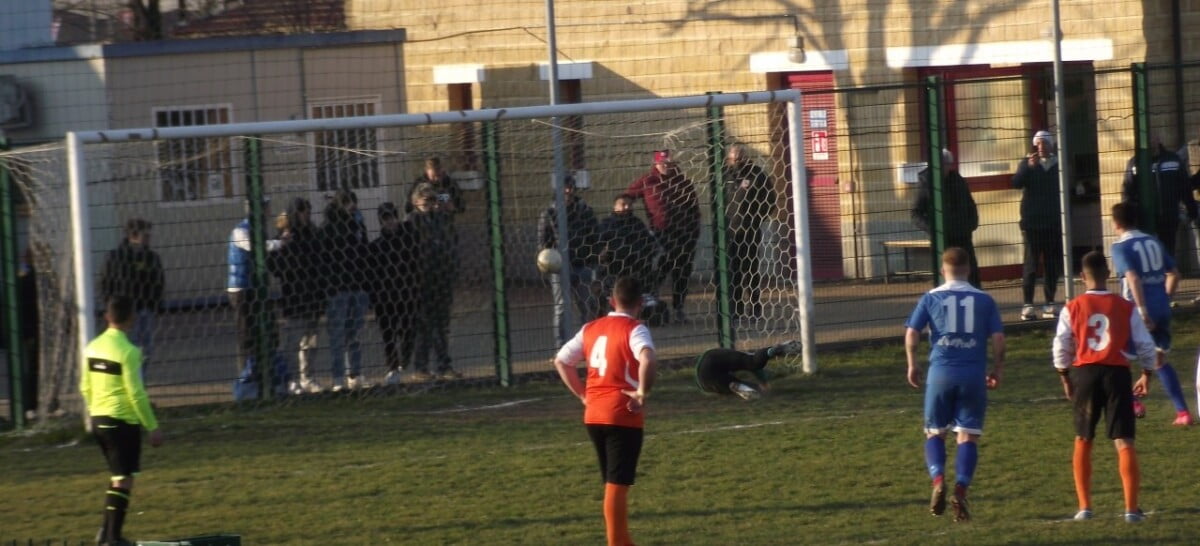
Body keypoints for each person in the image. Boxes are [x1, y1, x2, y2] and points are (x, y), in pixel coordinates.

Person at [1052, 250, 1157, 523]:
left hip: (1085, 373)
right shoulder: (1124, 306)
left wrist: (1064, 375)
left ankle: (1085, 507)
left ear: (1080, 277)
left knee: (1083, 437)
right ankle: (1131, 509)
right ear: (1108, 274)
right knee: (1124, 441)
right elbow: (1145, 344)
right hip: (1116, 374)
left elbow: (1061, 344)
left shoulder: (1072, 306)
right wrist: (1146, 373)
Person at [552, 276, 657, 546]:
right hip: (621, 413)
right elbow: (647, 358)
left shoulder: (591, 327)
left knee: (613, 483)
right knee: (617, 484)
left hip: (594, 415)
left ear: (612, 301)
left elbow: (562, 361)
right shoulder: (636, 329)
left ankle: (622, 541)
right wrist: (642, 392)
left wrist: (584, 396)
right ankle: (618, 543)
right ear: (641, 303)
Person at [904, 247, 1005, 522]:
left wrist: (912, 363)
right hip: (972, 376)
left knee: (935, 433)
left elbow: (912, 332)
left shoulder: (931, 297)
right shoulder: (984, 300)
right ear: (969, 270)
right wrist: (997, 367)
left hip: (940, 374)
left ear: (942, 271)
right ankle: (960, 488)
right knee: (967, 436)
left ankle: (938, 479)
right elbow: (998, 337)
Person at [79, 297, 165, 546]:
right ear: (131, 319)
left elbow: (85, 386)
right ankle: (112, 538)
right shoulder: (129, 352)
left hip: (99, 419)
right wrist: (152, 426)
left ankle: (105, 533)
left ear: (107, 317)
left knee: (118, 477)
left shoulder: (92, 347)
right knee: (124, 479)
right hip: (121, 423)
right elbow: (136, 394)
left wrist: (97, 411)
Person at [1109, 203, 1190, 425]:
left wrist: (1142, 310)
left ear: (1116, 223)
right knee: (1158, 359)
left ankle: (1133, 402)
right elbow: (1174, 273)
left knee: (1119, 357)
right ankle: (1183, 413)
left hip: (1137, 309)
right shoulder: (1153, 241)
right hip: (1162, 307)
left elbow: (1133, 278)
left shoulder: (1119, 247)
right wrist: (1165, 299)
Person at [625, 150, 701, 323]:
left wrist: (694, 232)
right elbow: (628, 195)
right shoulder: (647, 181)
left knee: (682, 273)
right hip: (661, 235)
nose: (665, 166)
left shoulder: (683, 182)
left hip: (685, 235)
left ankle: (679, 308)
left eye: (668, 163)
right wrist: (623, 207)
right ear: (656, 163)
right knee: (658, 271)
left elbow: (695, 209)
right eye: (662, 163)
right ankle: (652, 308)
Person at [266, 197, 325, 393]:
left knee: (311, 341)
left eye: (307, 210)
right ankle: (290, 379)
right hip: (294, 295)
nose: (305, 214)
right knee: (292, 341)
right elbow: (273, 264)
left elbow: (321, 261)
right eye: (301, 210)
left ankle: (308, 377)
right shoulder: (285, 235)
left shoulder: (314, 234)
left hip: (313, 294)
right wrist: (289, 265)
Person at [538, 175, 601, 345]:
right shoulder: (549, 213)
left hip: (583, 266)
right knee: (561, 308)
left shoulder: (585, 211)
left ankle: (588, 345)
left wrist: (593, 260)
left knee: (587, 306)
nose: (568, 190)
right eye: (564, 187)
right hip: (559, 269)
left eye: (571, 187)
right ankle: (562, 347)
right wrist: (548, 259)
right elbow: (543, 242)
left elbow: (595, 237)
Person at [320, 190, 371, 390]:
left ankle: (355, 373)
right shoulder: (330, 227)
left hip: (357, 285)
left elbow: (364, 252)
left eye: (354, 203)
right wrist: (329, 285)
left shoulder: (358, 225)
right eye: (349, 203)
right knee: (338, 335)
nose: (353, 207)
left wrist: (366, 282)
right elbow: (325, 260)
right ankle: (338, 377)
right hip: (338, 288)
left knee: (355, 333)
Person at [99, 218, 164, 377]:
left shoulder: (151, 257)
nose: (149, 237)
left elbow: (159, 281)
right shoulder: (116, 257)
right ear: (134, 235)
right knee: (128, 349)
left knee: (146, 349)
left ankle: (140, 385)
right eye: (145, 233)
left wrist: (154, 305)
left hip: (144, 310)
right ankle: (130, 384)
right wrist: (112, 307)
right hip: (124, 312)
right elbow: (105, 283)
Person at [410, 183, 462, 380]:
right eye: (427, 201)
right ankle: (420, 367)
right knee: (424, 325)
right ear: (416, 202)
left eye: (434, 200)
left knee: (441, 325)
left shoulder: (440, 220)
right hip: (423, 281)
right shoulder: (414, 221)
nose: (432, 205)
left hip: (441, 278)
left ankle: (443, 365)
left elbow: (450, 243)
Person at [227, 197, 282, 379]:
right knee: (246, 331)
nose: (269, 211)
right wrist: (281, 242)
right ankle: (246, 373)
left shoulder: (257, 229)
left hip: (255, 287)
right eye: (266, 207)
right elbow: (257, 247)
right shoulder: (241, 231)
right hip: (241, 289)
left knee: (267, 327)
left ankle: (262, 369)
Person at [1012, 130, 1064, 321]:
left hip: (1053, 223)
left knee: (1052, 265)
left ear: (1051, 146)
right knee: (1031, 265)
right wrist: (1028, 168)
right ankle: (1028, 305)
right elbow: (1015, 183)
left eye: (1045, 143)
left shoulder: (1058, 165)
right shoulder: (1027, 164)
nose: (1041, 147)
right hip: (1032, 224)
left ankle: (1049, 303)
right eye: (1038, 144)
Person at [1121, 134, 1197, 260]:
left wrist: (1191, 209)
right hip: (1144, 218)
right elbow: (1127, 191)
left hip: (1169, 216)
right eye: (1148, 138)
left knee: (1168, 254)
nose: (1151, 140)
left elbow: (1185, 187)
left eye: (1153, 137)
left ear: (1159, 139)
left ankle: (1169, 277)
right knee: (1148, 256)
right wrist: (1129, 216)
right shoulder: (1135, 163)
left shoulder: (1173, 160)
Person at [912, 149, 981, 287]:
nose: (947, 168)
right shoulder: (926, 182)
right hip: (942, 239)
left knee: (971, 273)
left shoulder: (958, 180)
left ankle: (975, 297)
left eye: (949, 165)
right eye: (944, 165)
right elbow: (916, 213)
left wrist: (971, 224)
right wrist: (934, 229)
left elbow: (970, 204)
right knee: (946, 275)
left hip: (963, 236)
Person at [369, 202, 420, 385]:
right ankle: (393, 367)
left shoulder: (408, 241)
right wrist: (374, 296)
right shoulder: (376, 247)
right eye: (386, 219)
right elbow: (372, 274)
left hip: (406, 294)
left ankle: (403, 360)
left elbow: (416, 265)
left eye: (392, 217)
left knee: (408, 330)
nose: (390, 222)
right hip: (385, 298)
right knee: (388, 334)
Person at [723, 144, 774, 318]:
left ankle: (755, 308)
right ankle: (736, 310)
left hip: (750, 231)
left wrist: (757, 218)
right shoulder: (724, 175)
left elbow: (770, 198)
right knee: (734, 271)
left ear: (745, 158)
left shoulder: (756, 174)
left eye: (740, 158)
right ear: (728, 159)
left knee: (751, 271)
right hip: (730, 233)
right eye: (733, 158)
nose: (736, 161)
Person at [694, 340, 803, 400]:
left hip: (703, 380)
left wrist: (763, 383)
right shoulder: (725, 353)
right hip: (713, 354)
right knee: (752, 361)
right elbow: (755, 367)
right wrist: (764, 382)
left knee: (727, 385)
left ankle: (740, 387)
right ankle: (771, 351)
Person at [597, 194, 656, 297]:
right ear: (615, 207)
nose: (627, 207)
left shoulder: (637, 223)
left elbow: (650, 243)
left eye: (629, 205)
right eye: (623, 204)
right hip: (614, 271)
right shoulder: (606, 224)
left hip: (638, 271)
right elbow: (598, 246)